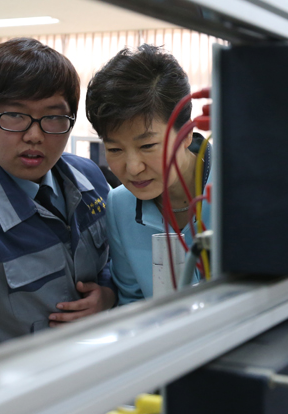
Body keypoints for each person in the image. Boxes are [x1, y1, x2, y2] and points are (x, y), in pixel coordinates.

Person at [0, 38, 116, 354]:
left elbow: (114, 260)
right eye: (15, 115)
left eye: (54, 117)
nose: (34, 135)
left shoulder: (90, 179)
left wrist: (108, 295)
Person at [86, 44, 212, 305]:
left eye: (147, 146)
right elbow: (132, 302)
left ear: (187, 132)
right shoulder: (120, 205)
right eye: (114, 149)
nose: (133, 168)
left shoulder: (240, 185)